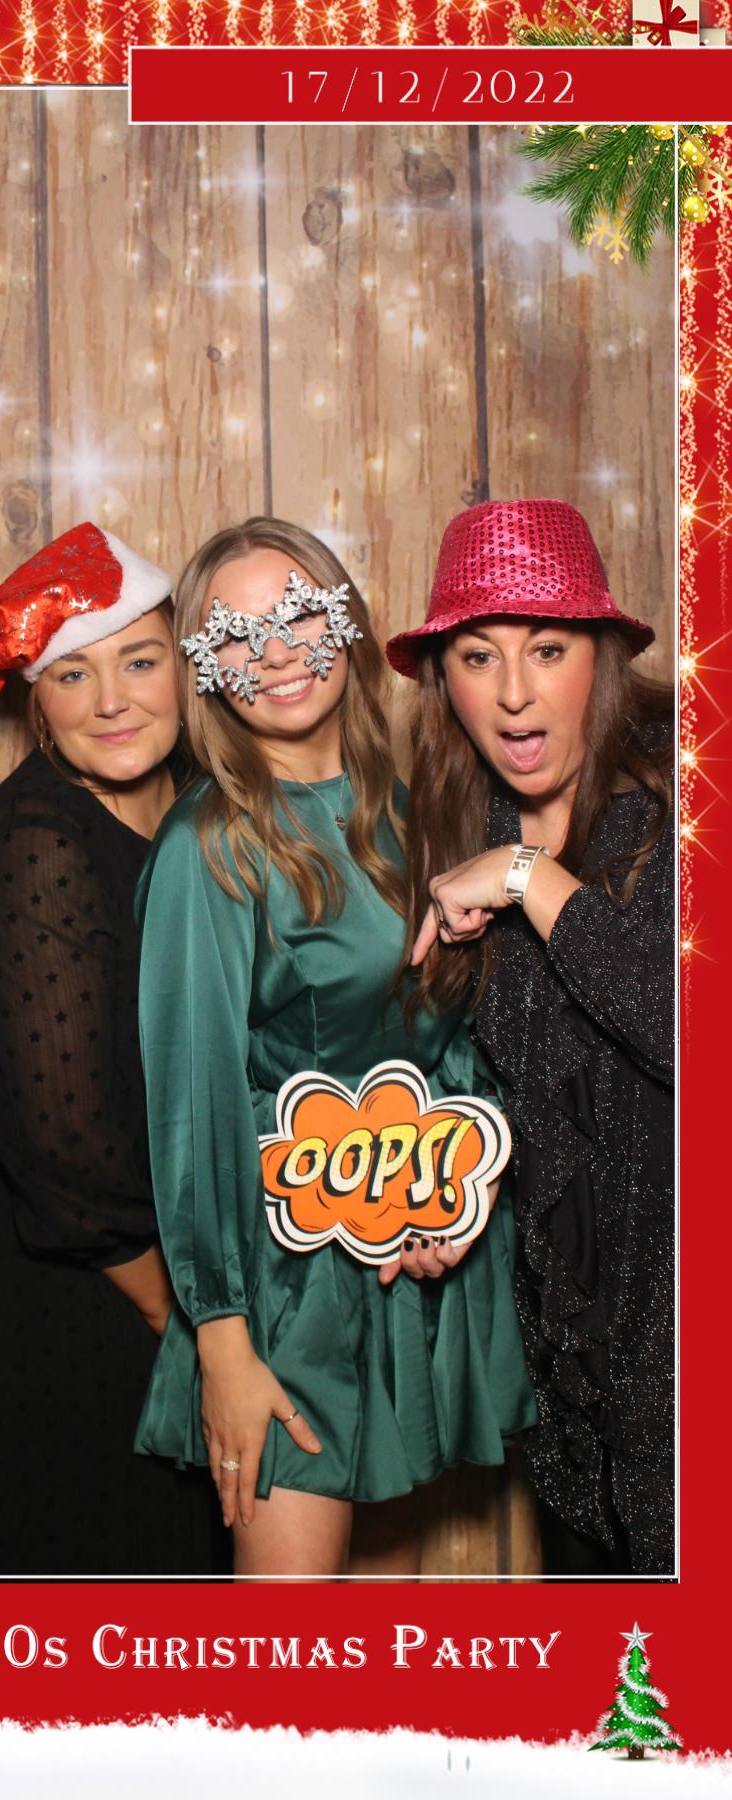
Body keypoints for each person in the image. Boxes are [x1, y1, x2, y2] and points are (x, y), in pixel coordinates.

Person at [133, 516, 535, 1579]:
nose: (273, 653)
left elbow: (451, 1039)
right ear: (205, 667)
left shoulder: (417, 809)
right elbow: (190, 1104)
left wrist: (452, 1192)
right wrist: (223, 1335)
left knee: (381, 1627)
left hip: (407, 1256)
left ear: (345, 620)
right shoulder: (210, 844)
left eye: (297, 614)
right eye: (235, 634)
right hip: (283, 1284)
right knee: (291, 1652)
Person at [0, 522, 224, 1576]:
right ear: (36, 704)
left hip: (173, 1279)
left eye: (141, 662)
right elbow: (69, 1150)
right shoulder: (35, 840)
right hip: (62, 1311)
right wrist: (192, 1330)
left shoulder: (203, 804)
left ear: (186, 670)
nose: (113, 701)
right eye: (74, 675)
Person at [389, 497, 674, 1577]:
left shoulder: (682, 806)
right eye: (479, 656)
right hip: (570, 1380)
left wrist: (530, 882)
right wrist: (461, 1188)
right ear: (444, 682)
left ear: (601, 658)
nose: (513, 692)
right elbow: (533, 1090)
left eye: (547, 650)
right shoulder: (469, 822)